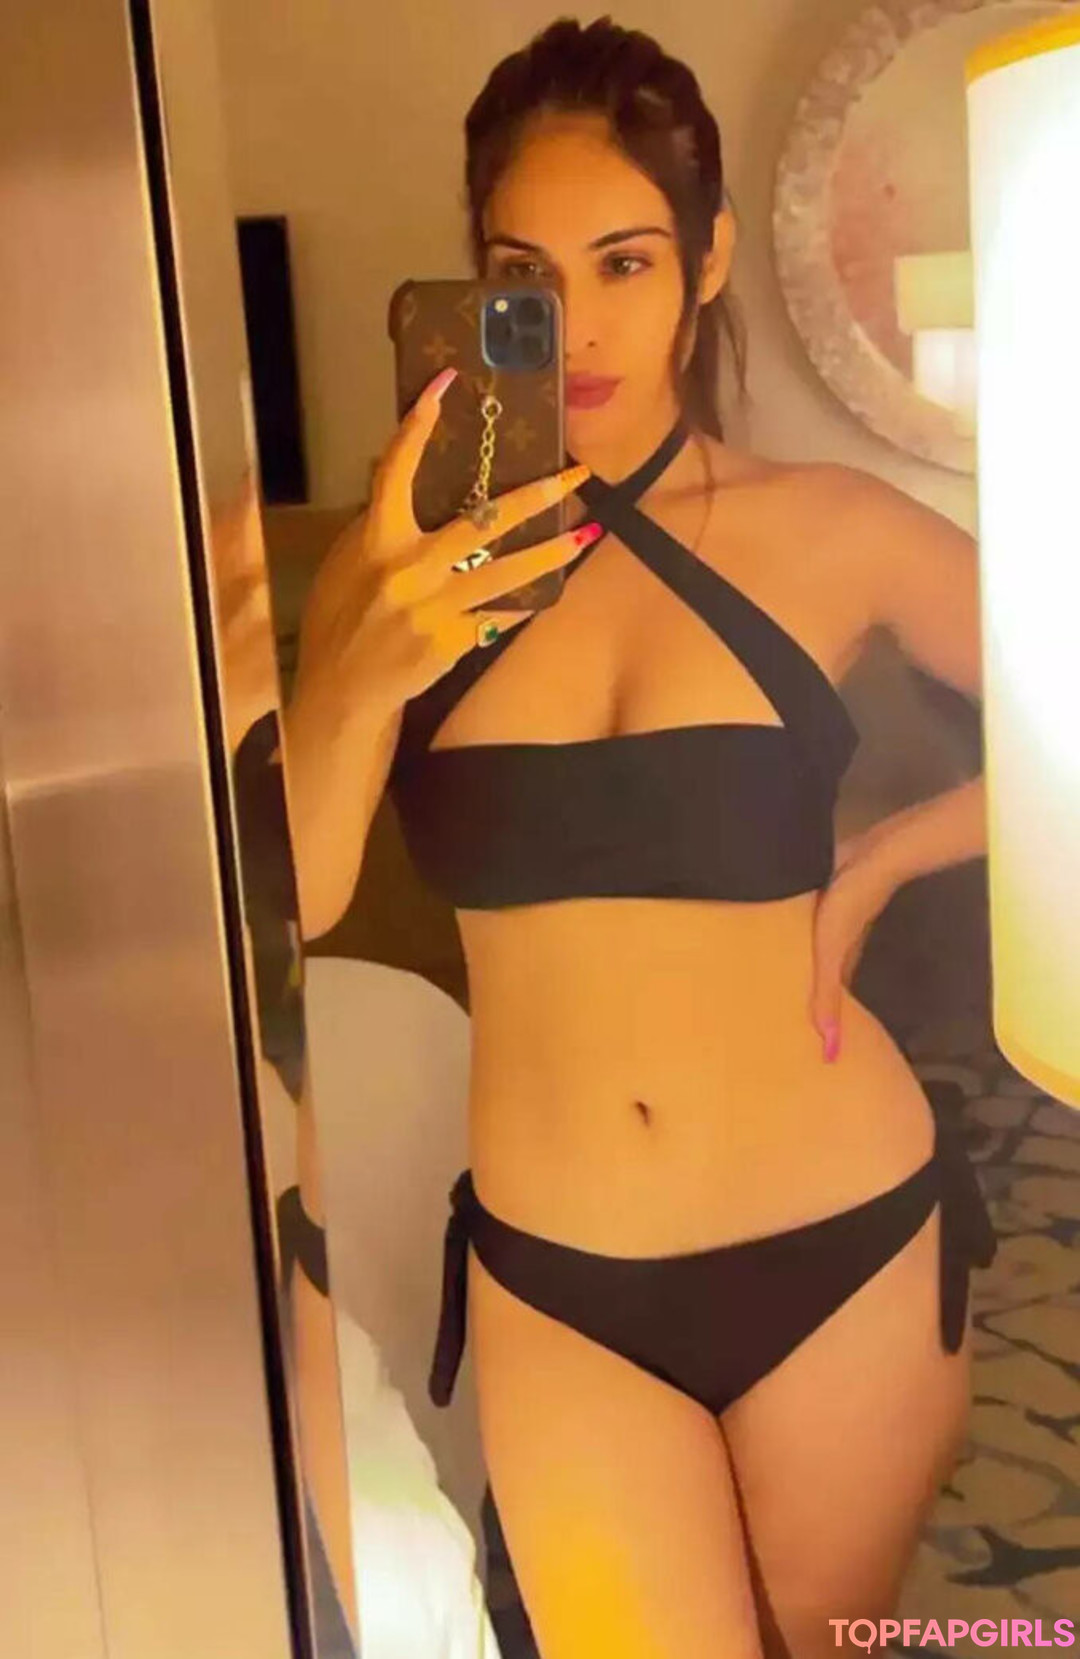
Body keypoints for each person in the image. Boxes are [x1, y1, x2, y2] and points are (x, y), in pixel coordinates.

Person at [282, 18, 995, 1658]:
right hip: (560, 1281)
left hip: (843, 1247)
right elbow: (297, 902)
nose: (581, 325)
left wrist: (894, 854)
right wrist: (358, 670)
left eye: (625, 262)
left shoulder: (829, 532)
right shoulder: (405, 572)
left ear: (707, 260)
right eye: (525, 275)